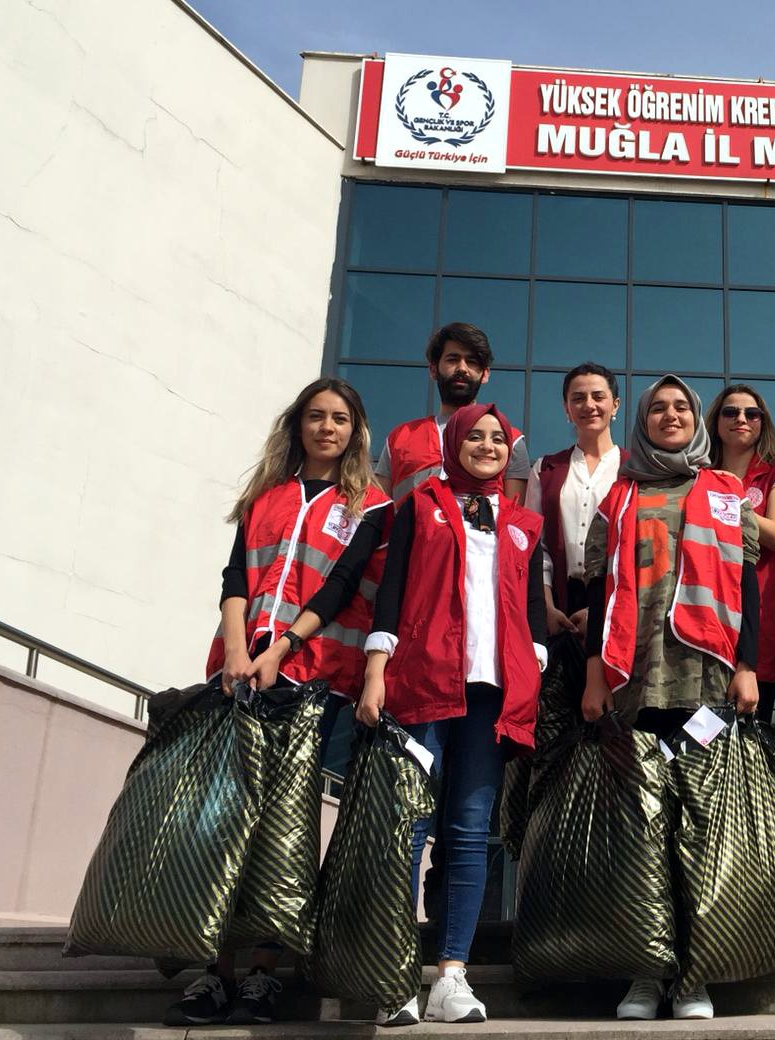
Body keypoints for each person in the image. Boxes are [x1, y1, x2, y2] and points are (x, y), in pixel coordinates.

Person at [167, 377, 390, 1027]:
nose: (327, 428)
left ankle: (266, 973)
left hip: (309, 682)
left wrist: (280, 650)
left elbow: (343, 587)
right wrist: (238, 653)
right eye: (316, 417)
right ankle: (216, 972)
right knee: (223, 825)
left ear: (355, 431)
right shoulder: (265, 498)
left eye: (340, 418)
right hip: (239, 679)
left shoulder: (370, 506)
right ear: (298, 425)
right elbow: (235, 578)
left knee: (283, 832)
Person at [578, 375, 761, 1022]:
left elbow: (747, 585)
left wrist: (747, 666)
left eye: (681, 406)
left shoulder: (727, 491)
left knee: (699, 820)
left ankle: (693, 976)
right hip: (635, 686)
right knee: (641, 825)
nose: (670, 415)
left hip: (707, 686)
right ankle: (645, 972)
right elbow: (599, 591)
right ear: (643, 422)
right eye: (658, 408)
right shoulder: (620, 497)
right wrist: (596, 674)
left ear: (696, 420)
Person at [360, 402, 550, 1024]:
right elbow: (390, 590)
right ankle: (392, 975)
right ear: (454, 444)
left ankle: (451, 975)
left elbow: (528, 607)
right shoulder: (418, 505)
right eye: (476, 437)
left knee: (469, 832)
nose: (489, 446)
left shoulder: (523, 522)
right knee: (408, 828)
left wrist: (535, 663)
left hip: (490, 694)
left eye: (499, 439)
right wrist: (377, 666)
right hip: (422, 683)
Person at [708, 383, 775, 721]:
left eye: (752, 413)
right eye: (730, 412)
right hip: (708, 624)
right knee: (697, 744)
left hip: (758, 629)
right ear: (716, 422)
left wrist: (722, 499)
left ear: (763, 422)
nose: (741, 419)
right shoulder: (698, 475)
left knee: (749, 745)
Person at [376, 322, 531, 504]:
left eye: (471, 362)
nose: (462, 368)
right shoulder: (400, 437)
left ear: (485, 374)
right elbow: (378, 512)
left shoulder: (509, 440)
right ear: (433, 369)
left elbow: (515, 520)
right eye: (452, 359)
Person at [525, 362, 624, 642]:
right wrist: (545, 607)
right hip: (557, 605)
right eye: (578, 398)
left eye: (598, 396)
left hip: (614, 606)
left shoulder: (632, 471)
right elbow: (535, 546)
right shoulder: (545, 469)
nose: (588, 405)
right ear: (567, 409)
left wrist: (601, 610)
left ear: (615, 405)